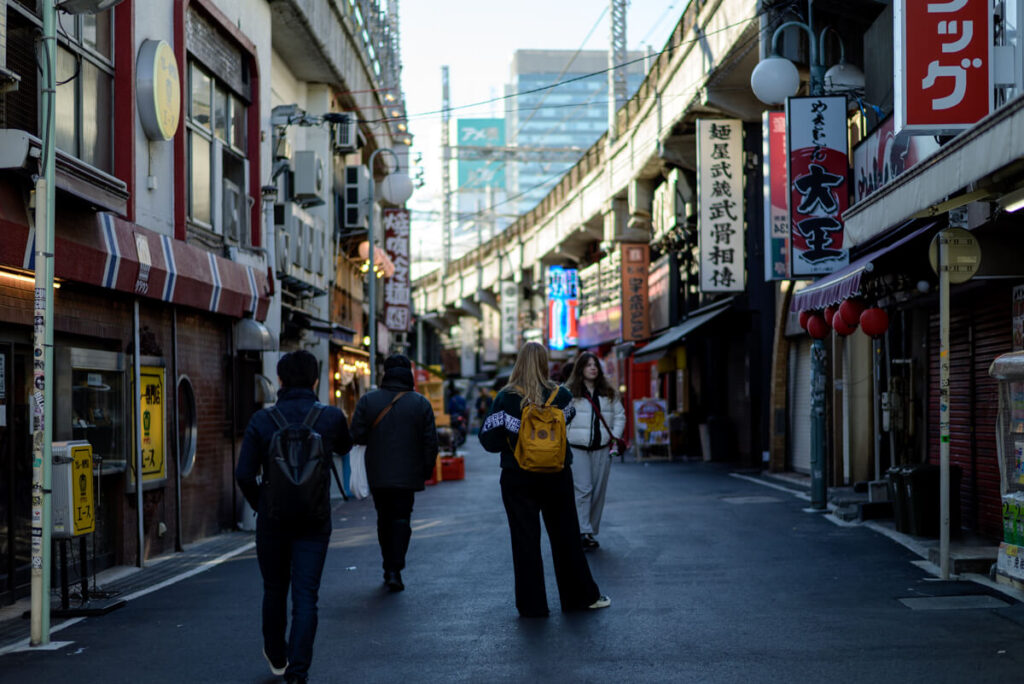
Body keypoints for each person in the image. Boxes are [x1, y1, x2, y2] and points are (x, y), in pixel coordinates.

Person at [236, 350, 352, 684]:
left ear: (280, 379)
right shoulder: (330, 417)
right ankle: (298, 672)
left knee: (274, 589)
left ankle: (277, 654)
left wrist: (262, 504)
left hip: (272, 522)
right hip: (315, 521)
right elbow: (345, 447)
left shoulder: (262, 421)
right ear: (316, 380)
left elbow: (244, 474)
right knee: (306, 595)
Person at [479, 341, 610, 617]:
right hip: (557, 474)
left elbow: (488, 440)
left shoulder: (505, 397)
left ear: (519, 363)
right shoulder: (562, 395)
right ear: (544, 364)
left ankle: (532, 606)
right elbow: (566, 424)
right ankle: (580, 597)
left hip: (517, 476)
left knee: (524, 541)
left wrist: (513, 443)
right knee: (566, 538)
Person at [350, 354, 438, 592]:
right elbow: (430, 442)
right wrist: (425, 470)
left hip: (378, 473)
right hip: (408, 474)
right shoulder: (420, 403)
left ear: (385, 373)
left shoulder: (368, 401)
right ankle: (395, 568)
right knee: (402, 519)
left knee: (384, 518)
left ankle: (389, 565)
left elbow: (356, 435)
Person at [565, 352, 626, 551]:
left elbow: (620, 416)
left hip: (602, 448)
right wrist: (565, 439)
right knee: (584, 489)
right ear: (580, 368)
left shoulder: (609, 392)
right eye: (588, 365)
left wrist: (614, 437)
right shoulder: (569, 392)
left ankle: (589, 530)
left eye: (595, 365)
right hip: (577, 448)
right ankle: (583, 531)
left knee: (598, 492)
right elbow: (561, 418)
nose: (592, 368)